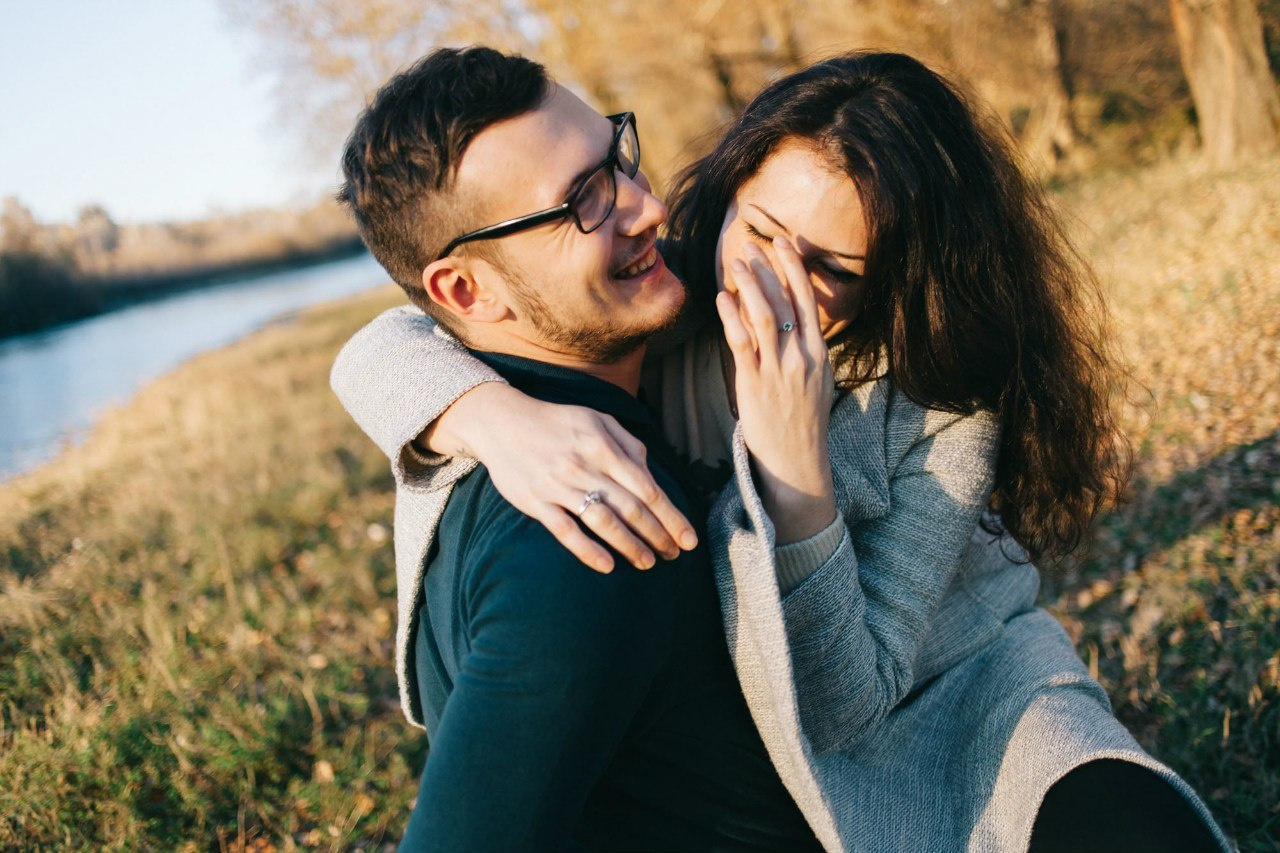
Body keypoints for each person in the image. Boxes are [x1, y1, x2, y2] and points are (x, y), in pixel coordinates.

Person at [332, 51, 1232, 852]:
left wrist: (797, 475)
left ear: (896, 284)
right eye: (760, 230)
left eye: (833, 269)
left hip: (967, 700)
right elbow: (392, 339)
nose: (776, 281)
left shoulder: (939, 405)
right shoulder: (673, 299)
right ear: (731, 193)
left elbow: (849, 705)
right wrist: (488, 413)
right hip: (785, 765)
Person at [334, 46, 823, 851]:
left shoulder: (506, 433)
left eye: (618, 160)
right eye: (582, 202)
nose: (648, 206)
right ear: (467, 291)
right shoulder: (592, 532)